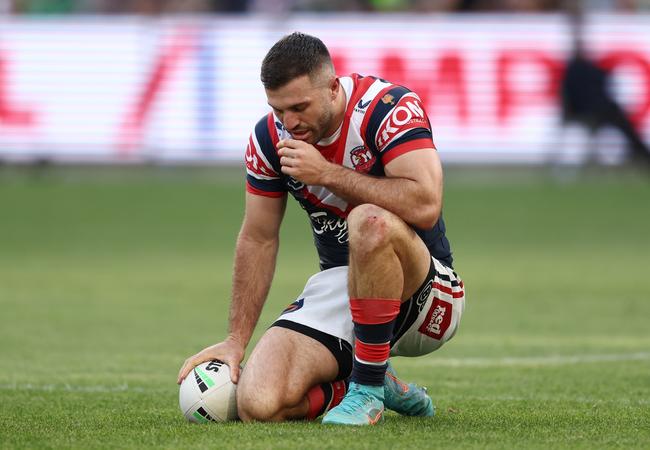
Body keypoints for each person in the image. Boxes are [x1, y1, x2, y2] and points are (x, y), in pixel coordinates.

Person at [177, 32, 466, 426]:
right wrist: (235, 341)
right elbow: (258, 237)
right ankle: (371, 381)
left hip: (427, 295)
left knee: (368, 219)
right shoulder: (268, 140)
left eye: (299, 107)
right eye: (278, 110)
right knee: (259, 405)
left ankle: (367, 389)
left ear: (332, 88)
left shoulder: (387, 109)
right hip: (346, 289)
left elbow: (426, 204)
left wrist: (327, 173)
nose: (288, 123)